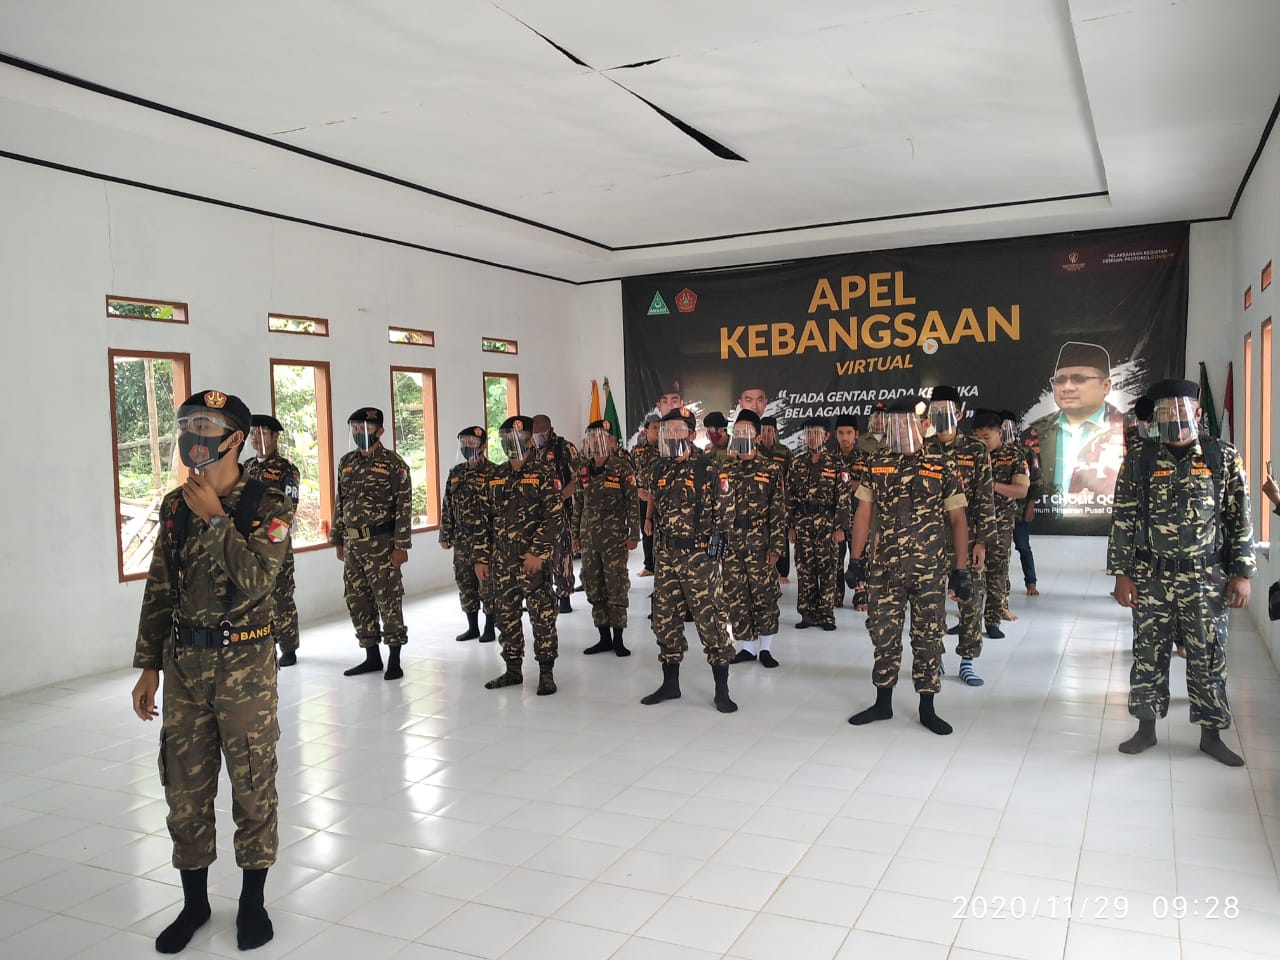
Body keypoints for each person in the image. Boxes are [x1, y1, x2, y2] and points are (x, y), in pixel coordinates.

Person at [130, 390, 293, 953]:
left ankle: (253, 902)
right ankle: (194, 904)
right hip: (184, 667)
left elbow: (259, 582)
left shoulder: (269, 505)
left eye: (206, 425)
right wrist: (148, 665)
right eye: (188, 424)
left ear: (235, 438)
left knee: (252, 782)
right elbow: (160, 588)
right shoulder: (175, 505)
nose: (193, 435)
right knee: (184, 787)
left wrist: (218, 519)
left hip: (245, 666)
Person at [1108, 379, 1254, 765]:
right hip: (1152, 576)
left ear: (1198, 413)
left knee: (1208, 655)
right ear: (1156, 417)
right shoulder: (1140, 459)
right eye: (1165, 411)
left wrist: (1242, 573)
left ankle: (1211, 735)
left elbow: (1239, 518)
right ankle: (1145, 729)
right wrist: (1121, 573)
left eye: (1180, 409)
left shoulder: (1222, 456)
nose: (1173, 417)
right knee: (1148, 652)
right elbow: (1123, 518)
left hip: (1206, 578)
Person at [846, 396, 971, 735]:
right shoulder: (876, 462)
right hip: (885, 568)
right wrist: (855, 559)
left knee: (928, 638)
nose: (903, 429)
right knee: (883, 635)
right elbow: (864, 513)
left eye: (910, 422)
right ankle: (882, 703)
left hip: (929, 569)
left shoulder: (942, 463)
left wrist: (960, 570)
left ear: (924, 424)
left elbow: (958, 519)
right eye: (896, 423)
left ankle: (927, 708)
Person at [641, 406, 739, 712]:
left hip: (700, 556)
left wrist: (719, 547)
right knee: (665, 619)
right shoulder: (659, 468)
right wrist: (650, 523)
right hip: (666, 556)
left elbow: (726, 512)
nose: (671, 435)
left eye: (678, 430)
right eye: (667, 430)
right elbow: (654, 502)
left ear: (692, 434)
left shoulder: (709, 468)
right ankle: (670, 684)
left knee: (712, 621)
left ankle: (722, 690)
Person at [475, 416, 564, 694]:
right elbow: (484, 519)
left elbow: (554, 517)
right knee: (506, 616)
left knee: (542, 616)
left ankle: (546, 673)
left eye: (517, 439)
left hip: (531, 561)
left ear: (529, 442)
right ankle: (512, 670)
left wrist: (537, 552)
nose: (510, 444)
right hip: (502, 561)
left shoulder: (543, 472)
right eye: (505, 439)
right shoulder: (495, 475)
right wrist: (481, 557)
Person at [331, 407, 412, 680]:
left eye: (365, 428)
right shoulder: (346, 462)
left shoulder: (394, 464)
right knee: (357, 600)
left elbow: (404, 506)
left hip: (382, 544)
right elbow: (340, 502)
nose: (359, 433)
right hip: (353, 545)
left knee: (388, 600)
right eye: (355, 428)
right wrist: (338, 538)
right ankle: (371, 657)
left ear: (380, 431)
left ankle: (394, 659)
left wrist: (401, 545)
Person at [928, 388, 994, 686]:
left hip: (967, 538)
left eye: (947, 412)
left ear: (959, 414)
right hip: (930, 539)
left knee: (970, 600)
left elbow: (985, 497)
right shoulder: (923, 448)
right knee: (931, 603)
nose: (941, 417)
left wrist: (982, 542)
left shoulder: (975, 449)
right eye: (936, 412)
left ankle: (967, 660)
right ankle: (936, 657)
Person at [723, 411, 787, 668]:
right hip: (732, 542)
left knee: (764, 595)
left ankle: (765, 649)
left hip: (760, 541)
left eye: (746, 432)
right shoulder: (726, 469)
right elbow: (717, 507)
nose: (741, 436)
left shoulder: (771, 469)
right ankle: (747, 647)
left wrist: (776, 546)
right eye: (737, 432)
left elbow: (778, 510)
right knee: (737, 594)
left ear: (757, 437)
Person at [1027, 341, 1127, 501]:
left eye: (1078, 379)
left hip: (1109, 517)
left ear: (1106, 385)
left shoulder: (1128, 430)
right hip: (1047, 516)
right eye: (1060, 380)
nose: (1067, 387)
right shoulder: (1033, 433)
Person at [574, 420, 640, 656]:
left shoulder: (621, 468)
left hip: (614, 539)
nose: (596, 441)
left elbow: (632, 503)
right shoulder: (583, 469)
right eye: (592, 437)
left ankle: (618, 639)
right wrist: (575, 535)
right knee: (594, 586)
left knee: (616, 586)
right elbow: (578, 504)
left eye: (600, 437)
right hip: (589, 538)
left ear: (611, 441)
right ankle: (603, 638)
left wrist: (634, 535)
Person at [243, 414, 301, 666]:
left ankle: (288, 647)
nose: (255, 438)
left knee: (281, 596)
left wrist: (272, 542)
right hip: (249, 543)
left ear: (275, 436)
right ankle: (263, 646)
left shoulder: (286, 470)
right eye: (252, 433)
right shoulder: (246, 467)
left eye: (261, 433)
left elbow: (289, 509)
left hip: (276, 545)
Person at [787, 417, 850, 631]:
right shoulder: (797, 463)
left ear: (826, 436)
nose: (812, 437)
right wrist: (790, 525)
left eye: (817, 433)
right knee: (805, 569)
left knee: (828, 569)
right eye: (809, 433)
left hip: (827, 524)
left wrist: (841, 527)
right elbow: (789, 497)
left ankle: (826, 614)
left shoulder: (837, 464)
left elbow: (843, 498)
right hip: (803, 522)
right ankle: (807, 613)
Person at [971, 410, 1029, 638]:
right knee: (970, 574)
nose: (982, 442)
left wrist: (992, 485)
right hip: (972, 524)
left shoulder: (1014, 456)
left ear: (999, 433)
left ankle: (992, 621)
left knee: (996, 575)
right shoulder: (970, 455)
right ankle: (968, 621)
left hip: (1000, 525)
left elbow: (1021, 490)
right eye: (977, 437)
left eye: (986, 437)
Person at [440, 426, 495, 644]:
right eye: (463, 443)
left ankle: (489, 626)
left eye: (472, 443)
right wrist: (445, 533)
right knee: (464, 582)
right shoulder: (456, 473)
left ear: (483, 446)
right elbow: (447, 505)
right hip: (461, 538)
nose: (467, 446)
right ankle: (472, 627)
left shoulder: (494, 472)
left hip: (486, 539)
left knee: (486, 583)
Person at [531, 414, 579, 612]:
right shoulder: (529, 450)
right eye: (534, 435)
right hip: (536, 513)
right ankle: (542, 595)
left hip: (560, 511)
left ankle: (564, 596)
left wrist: (561, 498)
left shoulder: (564, 448)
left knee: (562, 555)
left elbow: (577, 478)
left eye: (541, 434)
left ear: (550, 430)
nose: (538, 439)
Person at [831, 414, 863, 609]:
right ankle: (836, 596)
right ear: (835, 434)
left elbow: (869, 487)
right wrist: (853, 485)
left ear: (856, 434)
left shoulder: (866, 459)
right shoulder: (829, 459)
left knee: (860, 557)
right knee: (835, 558)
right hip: (836, 519)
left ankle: (861, 596)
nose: (845, 437)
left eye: (849, 433)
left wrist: (844, 485)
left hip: (859, 517)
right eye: (841, 433)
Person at [758, 415, 793, 584]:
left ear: (775, 432)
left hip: (779, 499)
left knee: (780, 533)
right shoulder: (755, 451)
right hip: (760, 500)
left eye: (769, 430)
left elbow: (791, 476)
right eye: (763, 431)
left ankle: (782, 571)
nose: (766, 434)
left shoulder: (784, 452)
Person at [1013, 420, 1043, 597]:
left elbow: (1036, 481)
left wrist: (1030, 506)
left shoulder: (1026, 452)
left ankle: (1031, 583)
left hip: (1019, 512)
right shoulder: (988, 452)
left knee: (1023, 547)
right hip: (994, 515)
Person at [632, 415, 661, 577]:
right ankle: (649, 565)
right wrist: (637, 490)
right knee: (647, 530)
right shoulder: (637, 451)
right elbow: (628, 474)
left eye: (660, 427)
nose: (658, 430)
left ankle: (662, 564)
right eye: (655, 427)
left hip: (662, 497)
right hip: (643, 497)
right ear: (646, 430)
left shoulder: (666, 448)